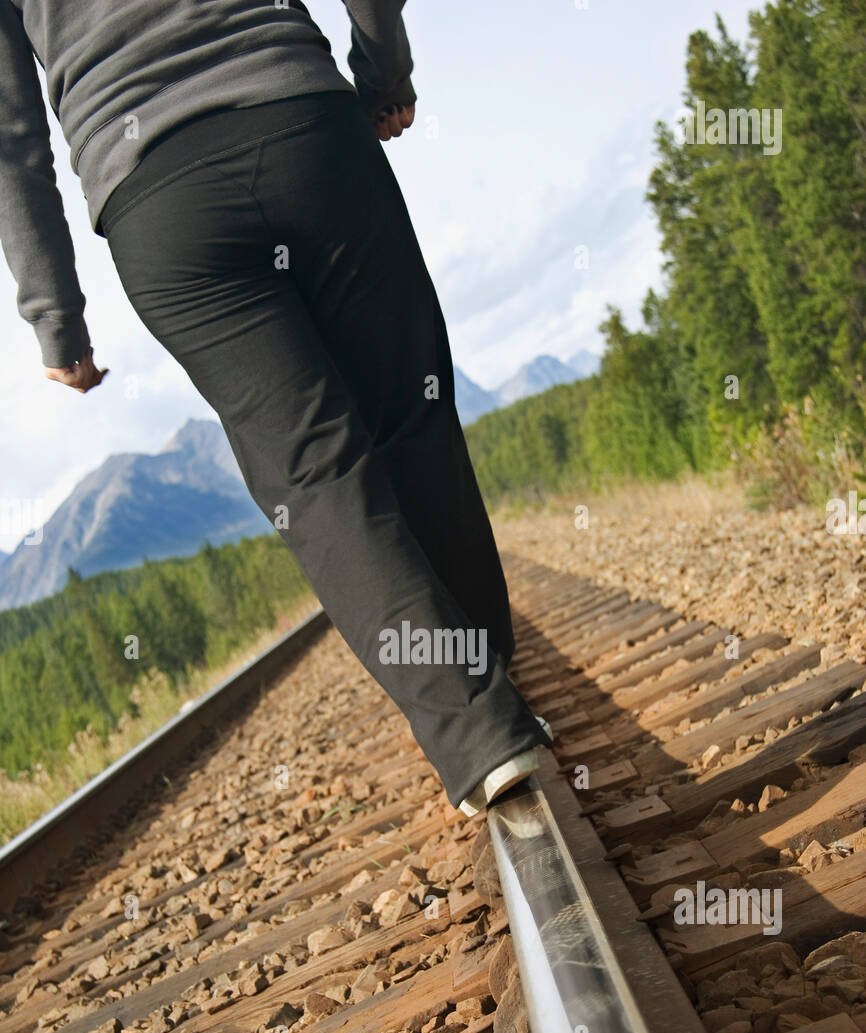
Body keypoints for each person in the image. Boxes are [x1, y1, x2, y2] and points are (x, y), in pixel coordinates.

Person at [0, 0, 551, 816]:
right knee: (410, 414)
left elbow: (12, 134)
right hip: (303, 127)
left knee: (317, 477)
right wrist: (384, 72)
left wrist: (56, 314)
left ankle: (479, 729)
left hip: (155, 201)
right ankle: (493, 676)